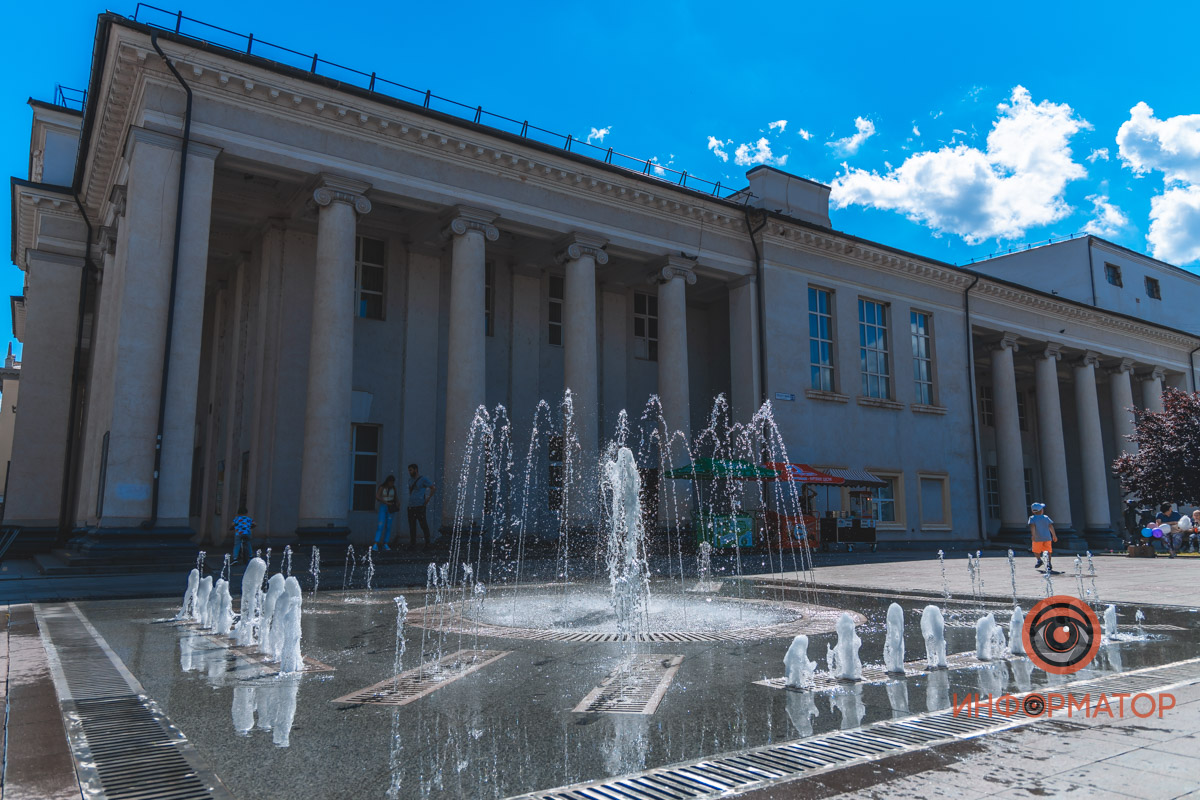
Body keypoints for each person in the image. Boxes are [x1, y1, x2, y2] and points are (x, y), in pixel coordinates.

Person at [405, 463, 435, 547]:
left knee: (423, 525)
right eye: (409, 470)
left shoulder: (423, 479)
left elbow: (433, 488)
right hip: (411, 506)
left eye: (411, 470)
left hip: (420, 506)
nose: (409, 472)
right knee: (412, 526)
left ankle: (427, 543)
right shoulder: (410, 480)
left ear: (415, 470)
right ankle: (412, 544)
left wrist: (428, 499)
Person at [1028, 502, 1057, 572]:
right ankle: (1049, 563)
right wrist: (1054, 535)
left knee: (1035, 550)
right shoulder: (1046, 517)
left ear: (1033, 511)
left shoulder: (1032, 518)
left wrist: (1033, 535)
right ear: (1041, 510)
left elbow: (1032, 527)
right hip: (1047, 538)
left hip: (1037, 538)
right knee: (1048, 551)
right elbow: (1051, 526)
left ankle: (1039, 560)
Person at [372, 475, 398, 552]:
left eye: (393, 482)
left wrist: (397, 502)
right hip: (383, 506)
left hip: (390, 507)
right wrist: (385, 502)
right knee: (381, 525)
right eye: (391, 482)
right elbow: (377, 496)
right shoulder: (382, 487)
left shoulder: (393, 488)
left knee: (388, 526)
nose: (392, 483)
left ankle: (385, 543)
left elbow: (395, 496)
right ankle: (376, 543)